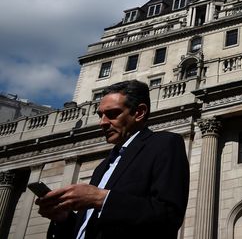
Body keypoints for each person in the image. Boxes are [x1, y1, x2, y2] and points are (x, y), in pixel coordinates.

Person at [36, 80, 190, 239]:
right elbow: (90, 230)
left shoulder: (165, 144)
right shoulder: (102, 167)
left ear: (139, 112)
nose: (102, 122)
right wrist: (64, 219)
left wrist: (100, 198)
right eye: (100, 115)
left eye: (112, 114)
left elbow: (168, 216)